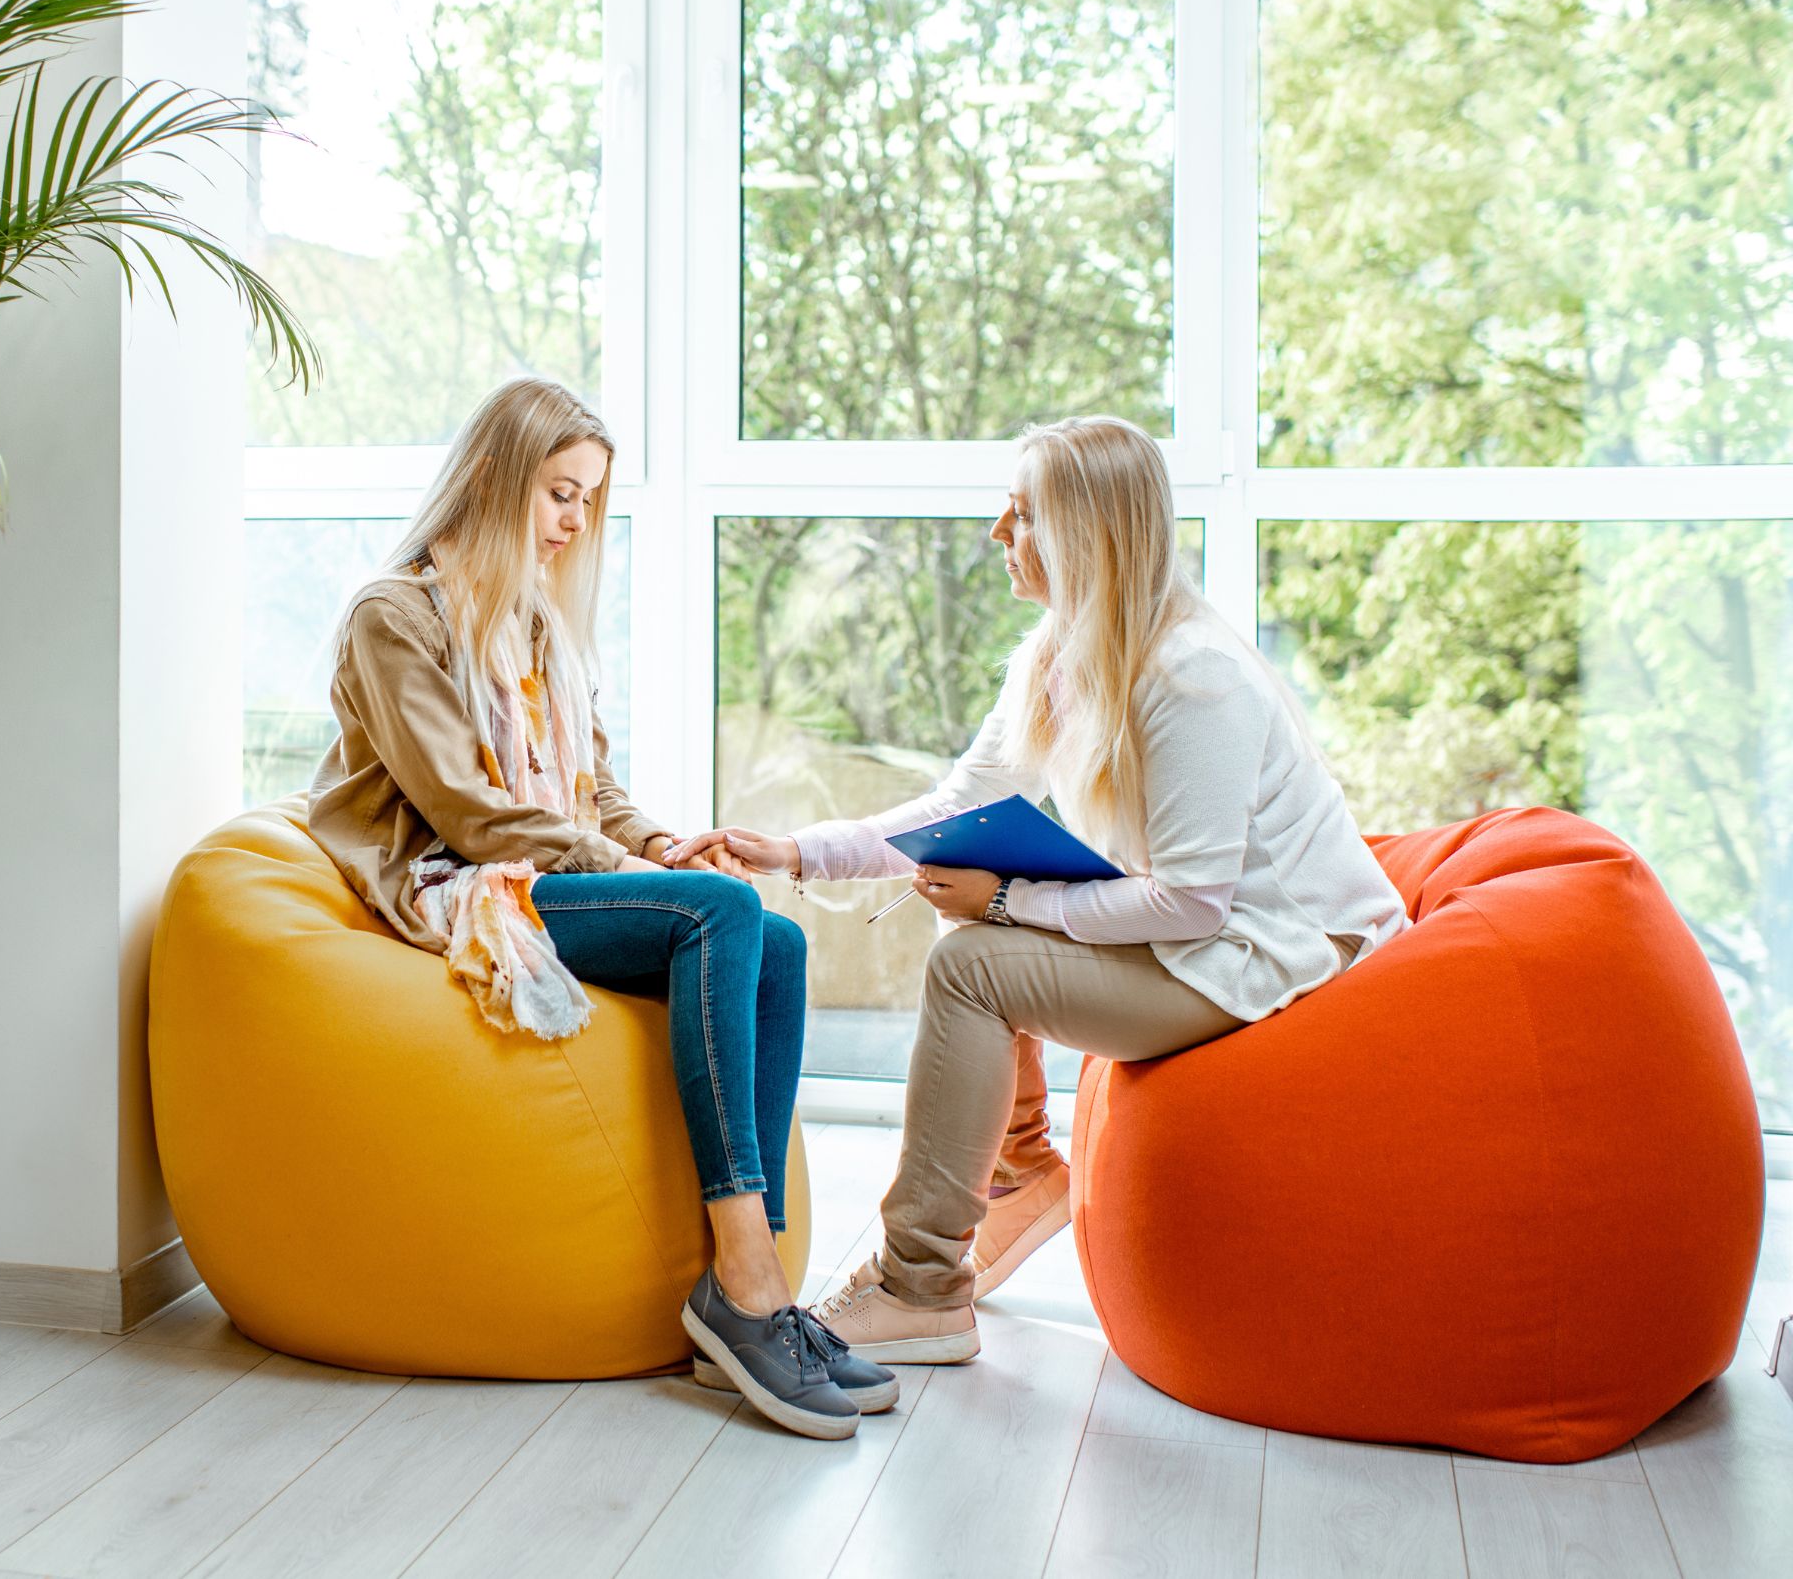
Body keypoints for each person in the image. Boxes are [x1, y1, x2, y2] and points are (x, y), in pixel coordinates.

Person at [668, 415, 1409, 1363]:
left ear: (1086, 537)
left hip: (1272, 961)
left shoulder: (1192, 677)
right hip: (1208, 941)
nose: (995, 534)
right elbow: (954, 804)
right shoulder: (1058, 655)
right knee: (967, 945)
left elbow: (1193, 902)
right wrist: (794, 853)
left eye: (1021, 515)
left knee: (974, 962)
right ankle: (1020, 1171)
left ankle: (921, 1288)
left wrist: (1009, 902)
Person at [307, 376, 893, 1439]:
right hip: (458, 889)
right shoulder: (391, 616)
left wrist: (661, 844)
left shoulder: (531, 619)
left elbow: (591, 791)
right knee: (718, 915)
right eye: (558, 494)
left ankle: (745, 1292)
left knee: (776, 940)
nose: (576, 523)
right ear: (489, 477)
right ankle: (748, 1284)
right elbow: (468, 813)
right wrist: (633, 867)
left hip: (537, 871)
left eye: (589, 501)